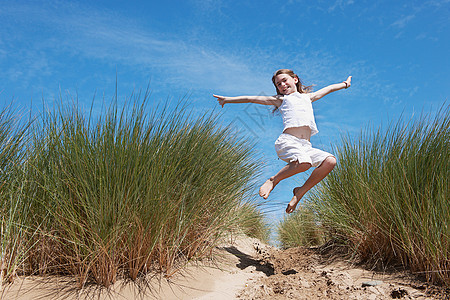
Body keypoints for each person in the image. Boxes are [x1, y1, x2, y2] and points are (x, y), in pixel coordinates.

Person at [213, 69, 351, 213]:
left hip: (305, 146)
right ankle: (273, 180)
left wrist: (345, 84)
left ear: (295, 79)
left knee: (330, 161)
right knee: (304, 163)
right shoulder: (281, 100)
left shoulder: (308, 97)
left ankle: (300, 192)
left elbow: (328, 89)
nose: (282, 85)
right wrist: (227, 99)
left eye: (284, 80)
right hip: (288, 142)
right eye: (278, 84)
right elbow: (251, 98)